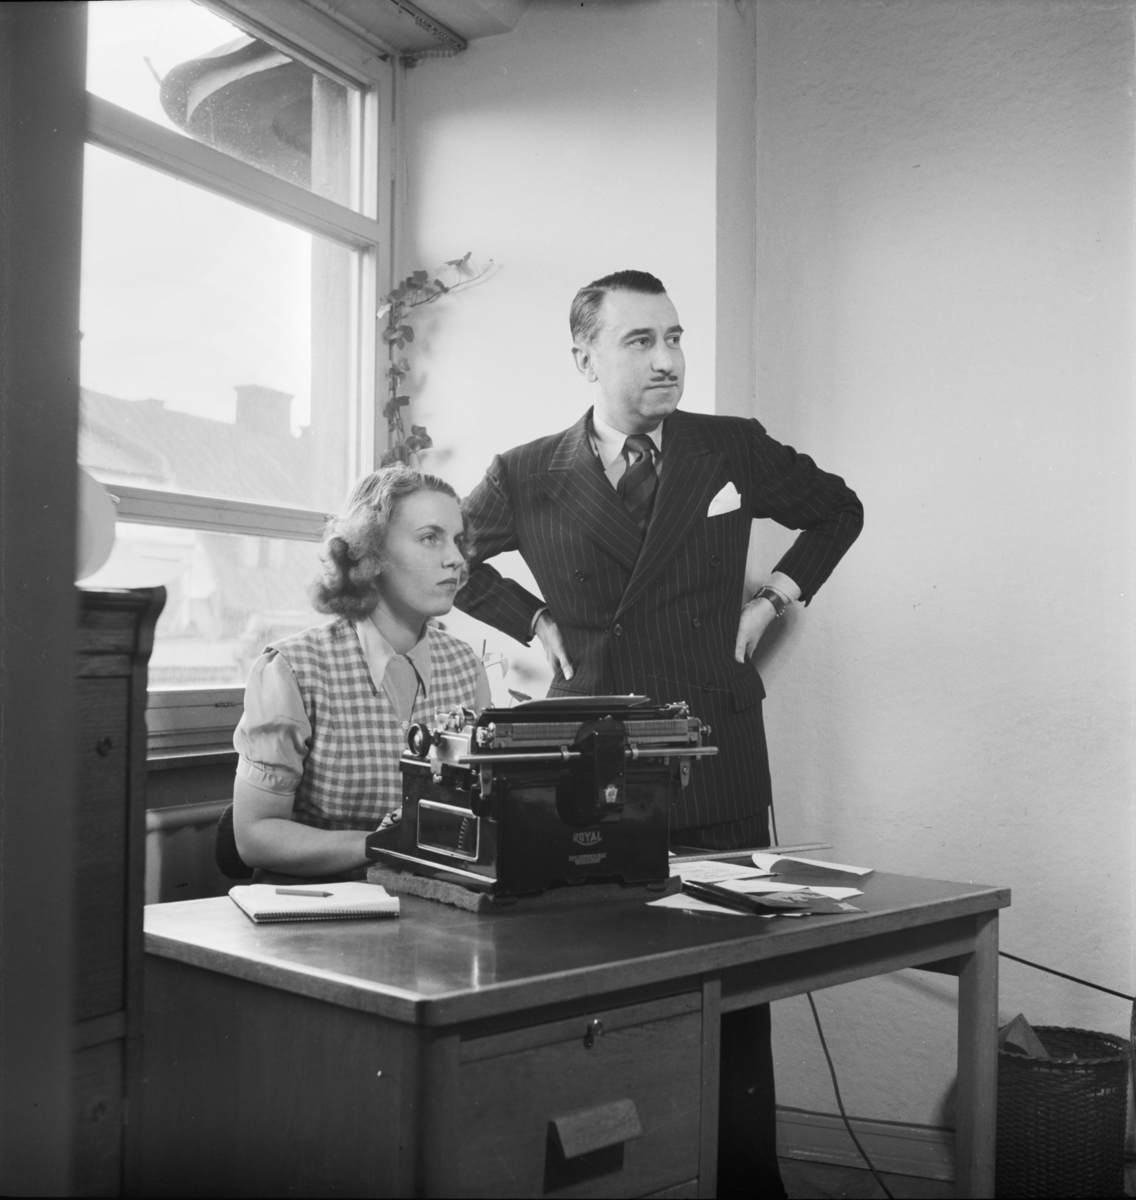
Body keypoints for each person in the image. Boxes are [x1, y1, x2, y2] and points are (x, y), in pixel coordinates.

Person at [455, 269, 863, 1196]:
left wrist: (774, 596)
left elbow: (840, 507)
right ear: (585, 357)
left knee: (736, 991)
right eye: (640, 341)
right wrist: (531, 618)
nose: (668, 359)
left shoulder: (728, 447)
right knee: (601, 988)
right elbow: (451, 552)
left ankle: (748, 1185)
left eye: (674, 337)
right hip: (595, 765)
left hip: (715, 751)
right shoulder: (525, 472)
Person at [232, 465, 490, 878]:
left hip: (434, 904)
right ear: (372, 553)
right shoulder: (292, 670)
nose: (456, 559)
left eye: (458, 541)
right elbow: (254, 835)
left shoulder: (466, 668)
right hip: (320, 907)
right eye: (430, 538)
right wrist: (384, 843)